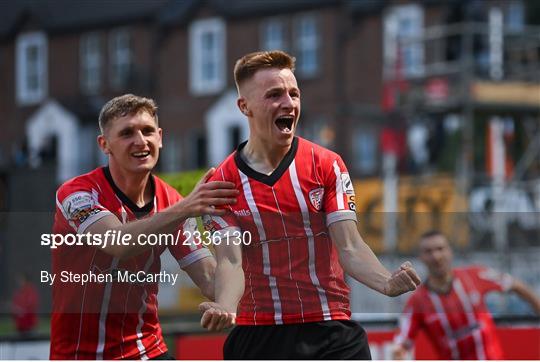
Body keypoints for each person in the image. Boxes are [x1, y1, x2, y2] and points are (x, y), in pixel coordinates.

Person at [198, 50, 421, 359]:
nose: (288, 103)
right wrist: (225, 305)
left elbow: (350, 247)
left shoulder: (327, 164)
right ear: (244, 106)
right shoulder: (221, 183)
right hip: (259, 334)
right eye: (274, 95)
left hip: (330, 330)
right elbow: (230, 262)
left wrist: (386, 282)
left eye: (294, 94)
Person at [50, 94, 239, 359]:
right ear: (105, 145)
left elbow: (208, 277)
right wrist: (187, 207)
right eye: (127, 133)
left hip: (146, 349)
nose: (141, 141)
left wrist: (233, 300)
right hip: (80, 354)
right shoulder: (76, 194)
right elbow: (117, 243)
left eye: (148, 131)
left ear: (160, 137)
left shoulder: (172, 201)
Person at [392, 230, 540, 360]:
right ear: (421, 257)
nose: (436, 256)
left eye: (440, 249)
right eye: (428, 251)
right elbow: (400, 345)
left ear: (450, 251)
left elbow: (516, 285)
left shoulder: (475, 276)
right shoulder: (417, 302)